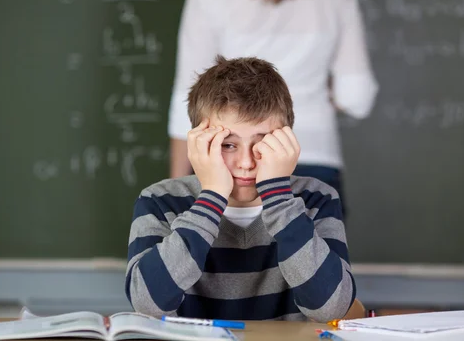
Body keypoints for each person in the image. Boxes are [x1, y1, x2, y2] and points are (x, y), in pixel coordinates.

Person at [126, 56, 355, 321]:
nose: (246, 163)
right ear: (199, 144)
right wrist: (211, 196)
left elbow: (331, 309)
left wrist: (278, 197)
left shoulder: (317, 199)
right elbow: (147, 305)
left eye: (262, 144)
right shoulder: (159, 201)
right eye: (227, 145)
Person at [168, 0, 379, 221]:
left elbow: (188, 95)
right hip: (315, 159)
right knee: (312, 263)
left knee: (223, 265)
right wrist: (318, 94)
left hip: (228, 163)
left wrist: (174, 190)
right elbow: (356, 96)